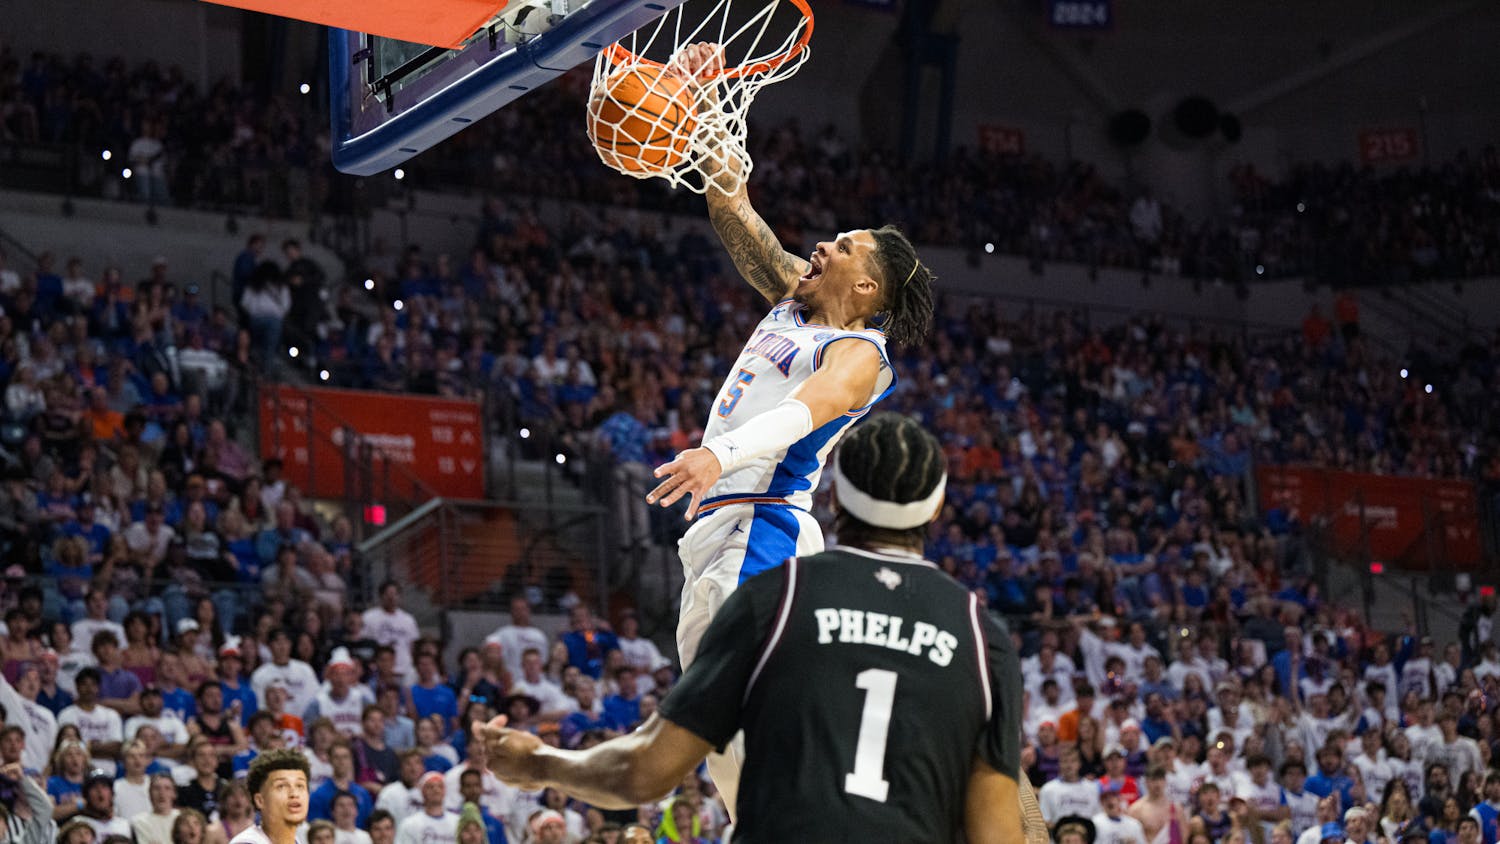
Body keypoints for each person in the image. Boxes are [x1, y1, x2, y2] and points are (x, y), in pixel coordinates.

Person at [477, 414, 1018, 842]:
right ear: (938, 505)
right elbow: (997, 834)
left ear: (831, 497)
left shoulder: (777, 598)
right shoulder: (981, 634)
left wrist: (539, 763)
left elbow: (644, 772)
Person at [640, 43, 936, 819]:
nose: (821, 246)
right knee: (730, 754)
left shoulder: (860, 353)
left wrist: (720, 453)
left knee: (732, 733)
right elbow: (732, 209)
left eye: (840, 247)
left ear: (865, 285)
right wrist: (700, 103)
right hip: (720, 534)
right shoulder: (793, 303)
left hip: (760, 533)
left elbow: (812, 407)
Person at [232, 748, 311, 844]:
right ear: (260, 801)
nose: (294, 794)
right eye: (281, 786)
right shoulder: (247, 842)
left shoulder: (298, 841)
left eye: (300, 786)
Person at [394, 772, 455, 843]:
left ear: (445, 791)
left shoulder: (456, 823)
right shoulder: (410, 824)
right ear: (422, 791)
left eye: (440, 786)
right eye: (430, 787)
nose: (436, 790)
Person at [130, 772, 181, 844]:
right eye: (157, 788)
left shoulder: (181, 818)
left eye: (167, 788)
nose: (162, 793)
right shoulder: (140, 822)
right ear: (149, 793)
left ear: (174, 794)